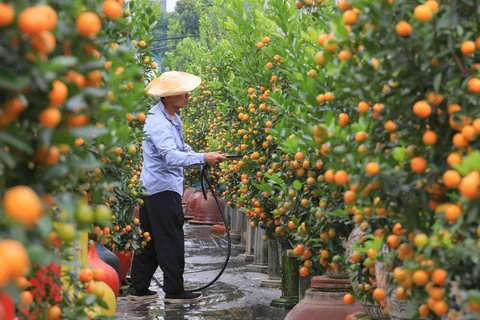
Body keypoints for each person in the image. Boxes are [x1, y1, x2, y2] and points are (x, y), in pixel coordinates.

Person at [129, 71, 227, 304]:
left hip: (155, 188)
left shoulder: (173, 117)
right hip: (162, 189)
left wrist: (203, 155)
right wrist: (203, 158)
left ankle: (138, 289)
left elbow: (180, 147)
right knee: (171, 238)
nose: (187, 95)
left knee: (151, 240)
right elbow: (171, 156)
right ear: (167, 96)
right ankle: (174, 291)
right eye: (182, 92)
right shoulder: (158, 122)